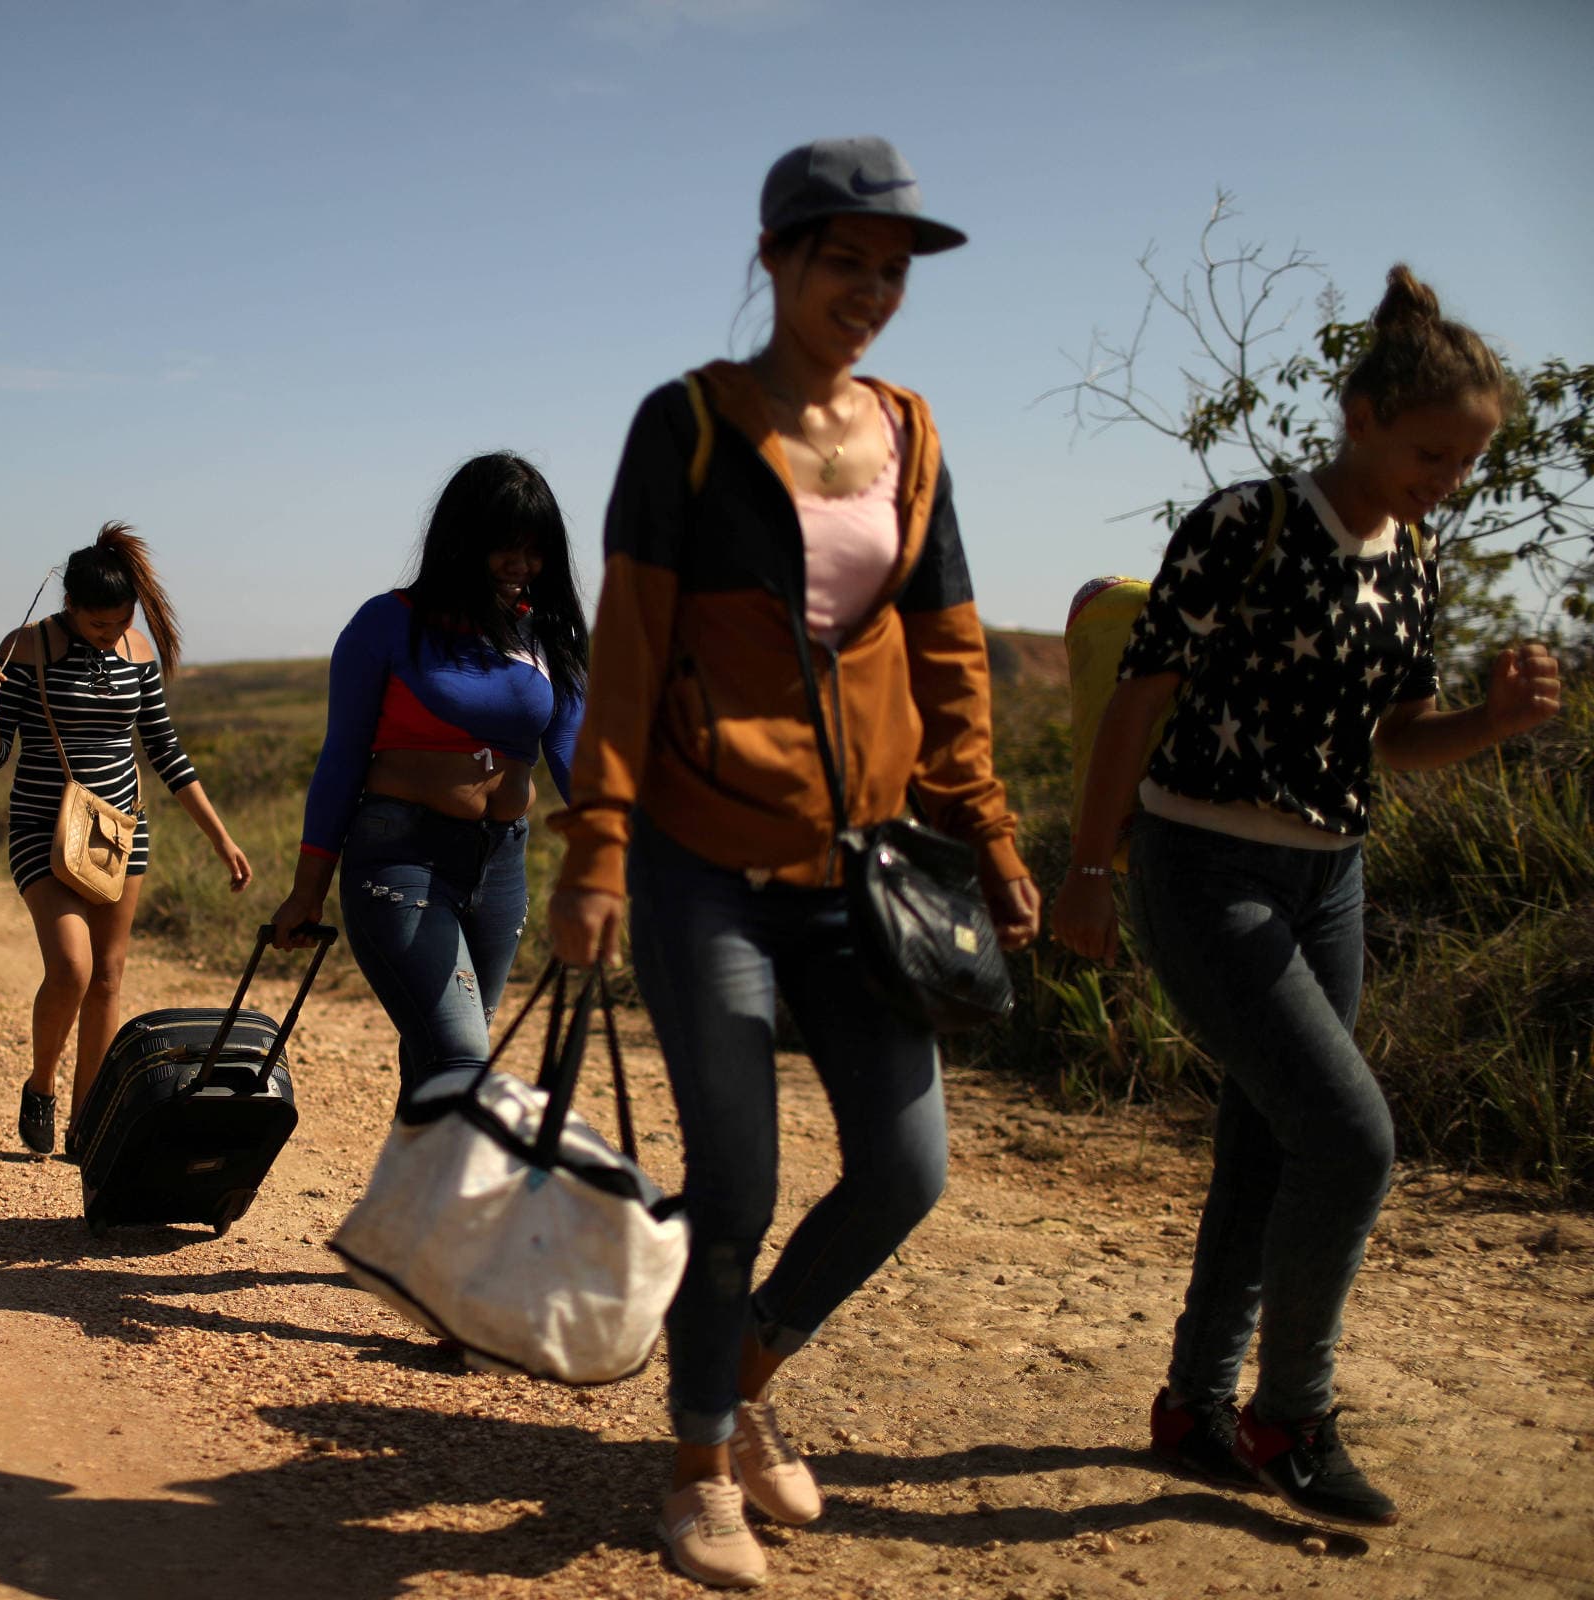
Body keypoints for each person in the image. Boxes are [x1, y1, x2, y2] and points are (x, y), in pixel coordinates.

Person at [546, 138, 1039, 1589]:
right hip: (706, 860)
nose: (870, 295)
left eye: (890, 274)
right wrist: (599, 850)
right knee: (740, 1180)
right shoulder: (688, 425)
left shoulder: (913, 434)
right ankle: (699, 1469)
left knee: (905, 1168)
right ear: (774, 260)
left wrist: (990, 828)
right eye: (844, 265)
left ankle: (740, 1370)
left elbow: (947, 649)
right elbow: (628, 650)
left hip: (867, 867)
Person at [1052, 266, 1565, 1527]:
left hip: (1329, 874)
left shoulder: (1418, 557)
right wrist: (1090, 868)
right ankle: (1293, 1412)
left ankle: (1194, 1406)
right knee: (1352, 1137)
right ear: (1363, 415)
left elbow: (1392, 740)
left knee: (1270, 1142)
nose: (1447, 478)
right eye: (1432, 452)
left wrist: (1489, 725)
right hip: (1203, 866)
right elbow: (1140, 701)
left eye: (1466, 460)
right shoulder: (1246, 525)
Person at [267, 452, 585, 1104]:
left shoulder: (547, 633)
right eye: (505, 548)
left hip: (501, 865)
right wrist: (307, 892)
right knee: (460, 1061)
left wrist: (623, 854)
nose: (522, 565)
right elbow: (341, 760)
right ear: (463, 540)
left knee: (440, 1069)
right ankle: (437, 1204)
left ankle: (409, 1205)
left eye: (536, 550)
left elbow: (571, 752)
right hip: (401, 857)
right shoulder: (388, 624)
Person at [0, 524, 252, 1158]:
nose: (110, 634)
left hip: (117, 835)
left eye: (119, 622)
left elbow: (164, 750)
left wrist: (220, 838)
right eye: (98, 625)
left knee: (108, 976)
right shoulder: (28, 646)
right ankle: (41, 1085)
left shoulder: (138, 651)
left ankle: (87, 1124)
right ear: (70, 605)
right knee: (70, 969)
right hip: (41, 831)